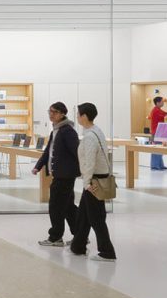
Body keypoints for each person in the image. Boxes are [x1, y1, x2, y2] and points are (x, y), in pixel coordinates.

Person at [69, 103, 117, 261]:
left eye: (78, 114)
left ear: (84, 116)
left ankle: (107, 252)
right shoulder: (96, 131)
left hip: (93, 181)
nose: (77, 117)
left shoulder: (90, 136)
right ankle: (78, 246)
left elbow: (89, 162)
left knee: (96, 218)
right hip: (96, 178)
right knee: (84, 215)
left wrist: (86, 183)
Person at [33, 102, 81, 247]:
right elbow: (48, 151)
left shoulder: (68, 131)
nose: (51, 114)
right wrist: (38, 166)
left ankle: (55, 237)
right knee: (68, 207)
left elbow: (77, 152)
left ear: (62, 114)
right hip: (60, 174)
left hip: (65, 175)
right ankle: (80, 235)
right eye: (50, 111)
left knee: (55, 207)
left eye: (54, 112)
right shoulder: (56, 130)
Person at [148, 96, 167, 171]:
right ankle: (155, 166)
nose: (163, 103)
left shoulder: (158, 110)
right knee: (156, 149)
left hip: (160, 131)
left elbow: (166, 114)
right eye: (162, 101)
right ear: (157, 103)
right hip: (156, 132)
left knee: (160, 149)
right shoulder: (156, 110)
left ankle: (160, 165)